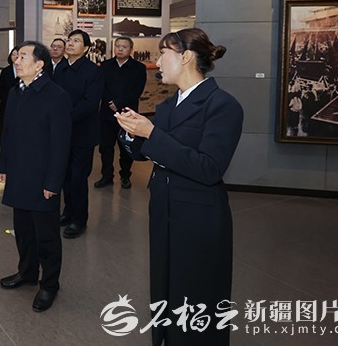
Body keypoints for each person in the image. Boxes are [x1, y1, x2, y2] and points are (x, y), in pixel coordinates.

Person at [115, 28, 244, 346]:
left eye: (163, 53)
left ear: (185, 57)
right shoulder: (168, 105)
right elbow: (148, 152)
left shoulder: (222, 105)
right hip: (164, 209)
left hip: (199, 218)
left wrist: (151, 134)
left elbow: (209, 168)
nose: (158, 62)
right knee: (165, 287)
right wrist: (132, 132)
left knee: (197, 293)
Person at [0, 41, 71, 312]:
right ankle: (27, 272)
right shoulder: (16, 91)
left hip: (42, 179)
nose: (16, 61)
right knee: (23, 230)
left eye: (23, 57)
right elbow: (7, 133)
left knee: (46, 237)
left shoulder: (56, 96)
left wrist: (53, 182)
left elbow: (61, 145)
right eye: (16, 56)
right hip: (18, 174)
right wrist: (4, 165)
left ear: (40, 64)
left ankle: (49, 284)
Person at [52, 29, 102, 239]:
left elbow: (90, 102)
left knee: (78, 177)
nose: (70, 44)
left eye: (76, 41)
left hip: (83, 132)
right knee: (64, 175)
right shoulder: (60, 68)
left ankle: (79, 220)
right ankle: (68, 212)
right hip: (62, 133)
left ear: (86, 48)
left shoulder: (93, 71)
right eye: (69, 40)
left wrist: (66, 117)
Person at [95, 37, 147, 189]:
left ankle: (125, 176)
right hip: (107, 113)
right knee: (106, 147)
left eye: (124, 47)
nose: (120, 49)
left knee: (125, 147)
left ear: (131, 49)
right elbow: (101, 87)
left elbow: (137, 90)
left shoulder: (138, 68)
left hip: (128, 114)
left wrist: (118, 103)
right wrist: (110, 102)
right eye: (117, 46)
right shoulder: (105, 65)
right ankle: (106, 176)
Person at [0, 45, 19, 147]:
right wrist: (7, 100)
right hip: (6, 103)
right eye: (13, 54)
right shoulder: (5, 71)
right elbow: (1, 88)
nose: (15, 57)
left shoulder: (25, 71)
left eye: (18, 55)